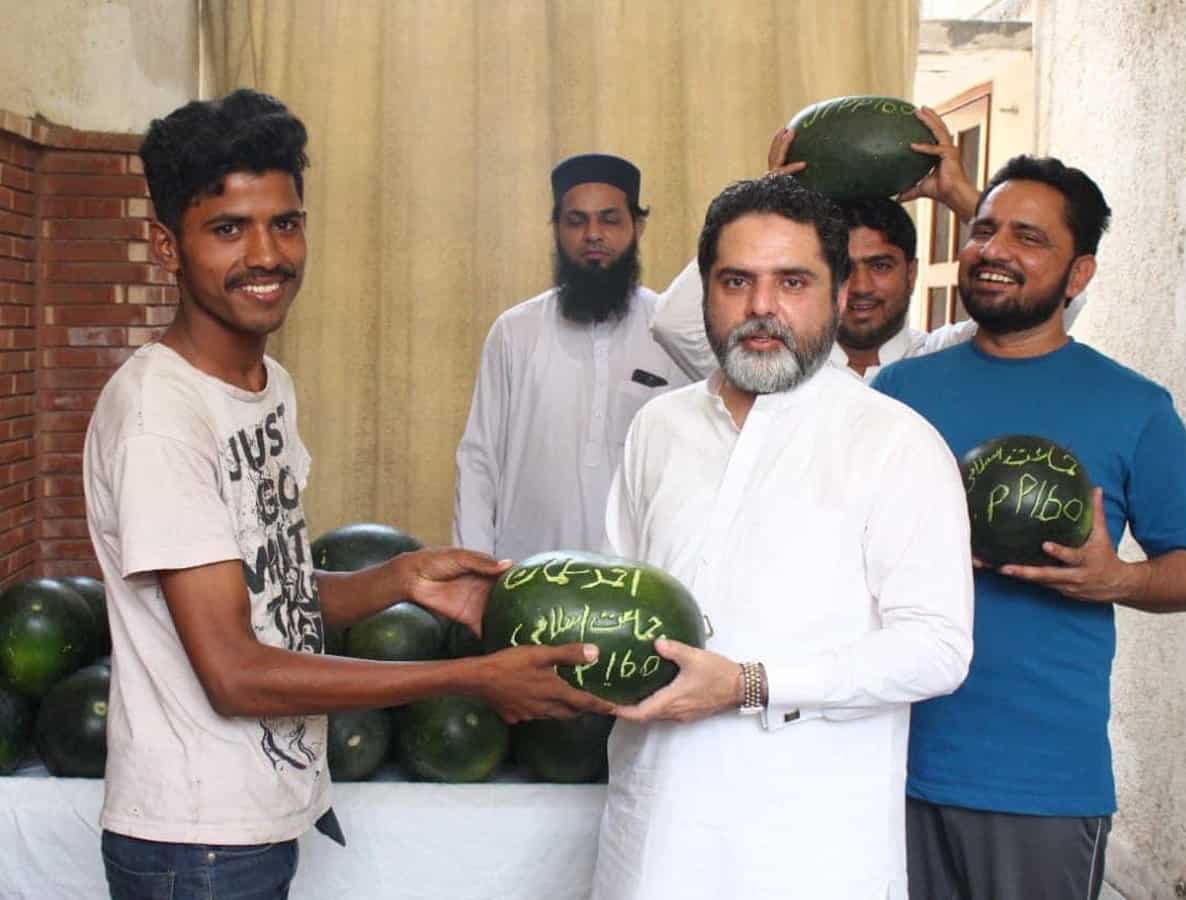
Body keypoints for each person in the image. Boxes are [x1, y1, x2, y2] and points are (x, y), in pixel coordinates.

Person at [83, 89, 611, 900]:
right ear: (166, 246)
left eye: (284, 222)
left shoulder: (266, 386)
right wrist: (469, 678)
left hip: (254, 818)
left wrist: (402, 581)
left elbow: (274, 598)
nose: (267, 255)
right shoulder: (160, 417)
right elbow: (235, 673)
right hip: (193, 844)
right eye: (229, 229)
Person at [591, 174, 974, 899]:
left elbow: (937, 649)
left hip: (810, 852)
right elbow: (624, 607)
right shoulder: (658, 429)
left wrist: (749, 684)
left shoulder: (895, 443)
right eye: (736, 280)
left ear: (835, 296)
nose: (761, 307)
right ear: (705, 294)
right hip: (650, 844)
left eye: (792, 281)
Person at [871, 155, 1186, 899]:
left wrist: (1120, 579)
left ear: (1078, 275)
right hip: (883, 760)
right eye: (983, 229)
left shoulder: (1136, 407)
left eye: (1029, 237)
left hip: (1040, 783)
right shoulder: (896, 392)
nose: (994, 251)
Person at [649, 109, 1087, 383]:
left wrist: (963, 198)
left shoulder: (945, 357)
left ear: (911, 272)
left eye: (880, 265)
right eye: (847, 268)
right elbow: (674, 323)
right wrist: (770, 204)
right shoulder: (782, 361)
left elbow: (1058, 300)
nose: (861, 286)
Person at [452, 154, 687, 563]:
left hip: (638, 584)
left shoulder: (672, 333)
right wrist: (475, 573)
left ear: (638, 227)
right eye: (576, 221)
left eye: (610, 220)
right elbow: (478, 462)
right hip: (525, 580)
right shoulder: (515, 331)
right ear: (556, 229)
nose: (592, 235)